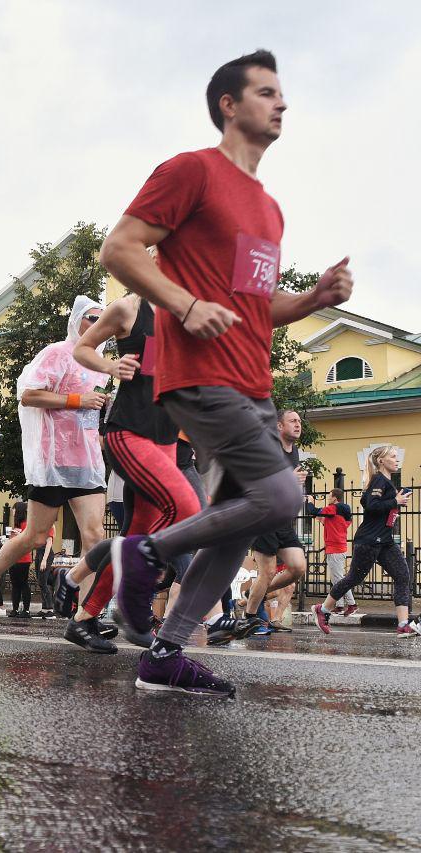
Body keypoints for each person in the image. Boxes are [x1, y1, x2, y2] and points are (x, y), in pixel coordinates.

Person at [100, 49, 354, 696]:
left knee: (240, 522)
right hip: (200, 374)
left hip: (253, 382)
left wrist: (315, 299)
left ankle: (164, 652)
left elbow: (259, 306)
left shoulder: (269, 209)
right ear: (229, 105)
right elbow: (120, 247)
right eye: (267, 92)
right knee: (282, 496)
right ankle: (147, 552)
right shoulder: (193, 172)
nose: (282, 104)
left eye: (282, 95)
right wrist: (182, 303)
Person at [59, 292, 200, 653]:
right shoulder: (129, 308)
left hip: (167, 439)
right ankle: (132, 603)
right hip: (129, 431)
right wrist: (111, 366)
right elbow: (83, 348)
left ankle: (84, 617)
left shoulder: (189, 311)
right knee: (186, 511)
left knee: (136, 536)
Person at [0, 296, 108, 619]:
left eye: (104, 321)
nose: (98, 326)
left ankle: (85, 617)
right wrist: (77, 400)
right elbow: (29, 395)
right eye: (92, 318)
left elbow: (92, 411)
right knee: (34, 535)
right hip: (53, 461)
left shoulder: (101, 364)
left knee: (96, 537)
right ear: (77, 322)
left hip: (87, 462)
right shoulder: (57, 353)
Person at [313, 446, 417, 636]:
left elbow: (365, 500)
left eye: (396, 457)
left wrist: (396, 499)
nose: (396, 460)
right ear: (381, 461)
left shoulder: (385, 483)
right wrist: (395, 502)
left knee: (402, 576)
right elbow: (370, 505)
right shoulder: (379, 480)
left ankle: (403, 624)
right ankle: (324, 610)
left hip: (385, 541)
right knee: (354, 578)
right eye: (392, 457)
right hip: (368, 540)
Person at [239, 409, 309, 636]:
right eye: (293, 421)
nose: (298, 425)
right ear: (279, 426)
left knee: (298, 567)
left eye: (299, 421)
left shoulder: (294, 451)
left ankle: (255, 594)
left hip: (282, 519)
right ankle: (249, 618)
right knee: (267, 571)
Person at [310, 488, 354, 615]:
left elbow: (312, 511)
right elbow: (321, 517)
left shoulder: (333, 508)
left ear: (335, 498)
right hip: (338, 548)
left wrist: (310, 502)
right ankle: (340, 605)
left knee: (340, 579)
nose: (328, 498)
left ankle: (352, 604)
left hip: (335, 549)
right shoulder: (340, 514)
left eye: (329, 496)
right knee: (336, 580)